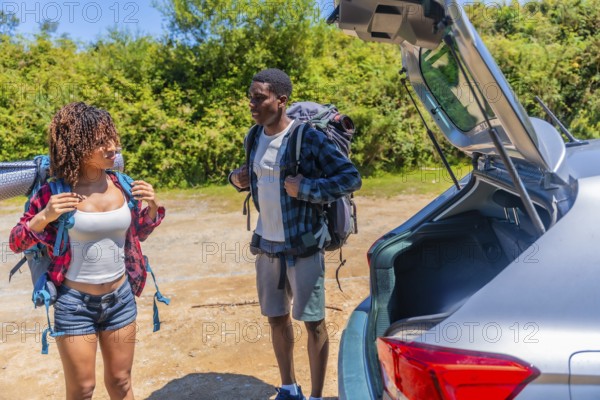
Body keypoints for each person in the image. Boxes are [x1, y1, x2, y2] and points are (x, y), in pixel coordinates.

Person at [9, 102, 165, 400]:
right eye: (101, 142)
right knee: (82, 390)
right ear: (77, 146)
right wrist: (44, 217)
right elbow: (16, 242)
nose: (113, 147)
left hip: (120, 298)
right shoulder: (53, 193)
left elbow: (138, 234)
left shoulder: (123, 185)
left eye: (112, 138)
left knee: (121, 383)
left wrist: (153, 207)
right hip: (74, 304)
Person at [229, 69, 362, 400]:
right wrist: (236, 179)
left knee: (313, 322)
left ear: (281, 100)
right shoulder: (253, 136)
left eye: (259, 98)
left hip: (303, 245)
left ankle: (316, 396)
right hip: (267, 244)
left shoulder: (307, 138)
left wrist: (307, 188)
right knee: (276, 319)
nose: (252, 104)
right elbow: (249, 176)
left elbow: (350, 178)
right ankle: (289, 387)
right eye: (250, 97)